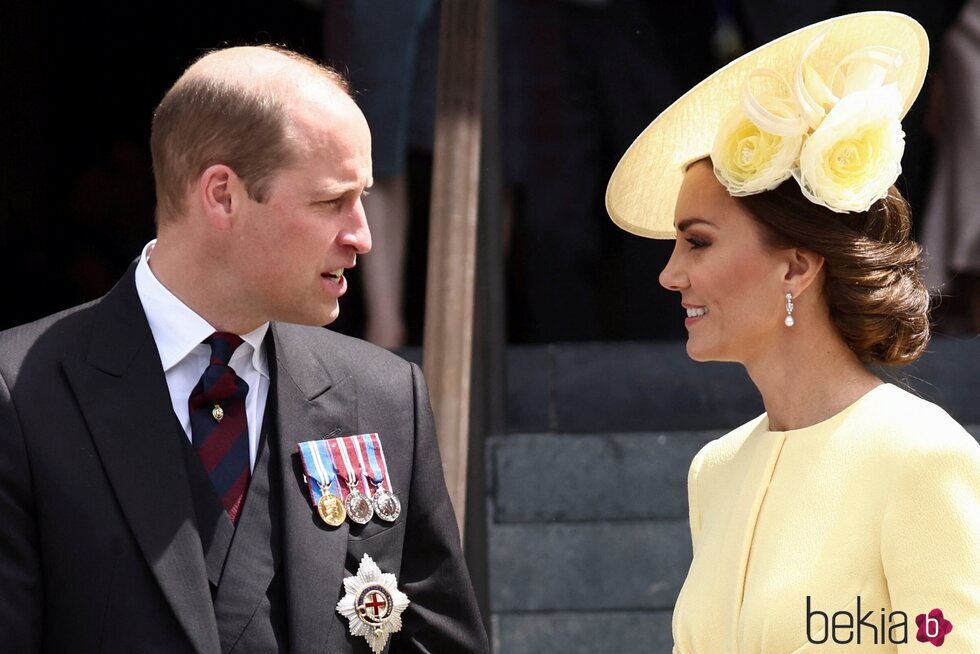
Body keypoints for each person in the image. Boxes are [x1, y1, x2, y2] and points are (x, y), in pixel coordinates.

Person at [0, 45, 488, 653]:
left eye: (361, 198)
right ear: (223, 195)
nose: (361, 235)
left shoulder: (385, 396)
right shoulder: (21, 393)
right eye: (331, 201)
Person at [606, 12, 980, 652]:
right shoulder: (714, 470)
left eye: (697, 243)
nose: (670, 274)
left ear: (797, 266)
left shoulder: (922, 457)